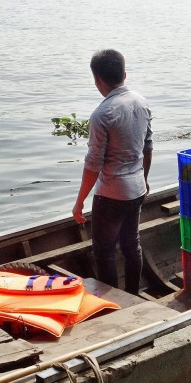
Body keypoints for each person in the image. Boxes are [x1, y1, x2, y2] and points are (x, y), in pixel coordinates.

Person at [72, 50, 153, 294]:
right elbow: (148, 146)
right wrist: (145, 179)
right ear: (124, 74)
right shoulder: (142, 102)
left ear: (97, 79)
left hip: (111, 195)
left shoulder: (102, 114)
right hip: (137, 188)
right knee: (132, 246)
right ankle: (133, 295)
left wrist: (79, 202)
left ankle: (115, 307)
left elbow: (93, 164)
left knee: (105, 252)